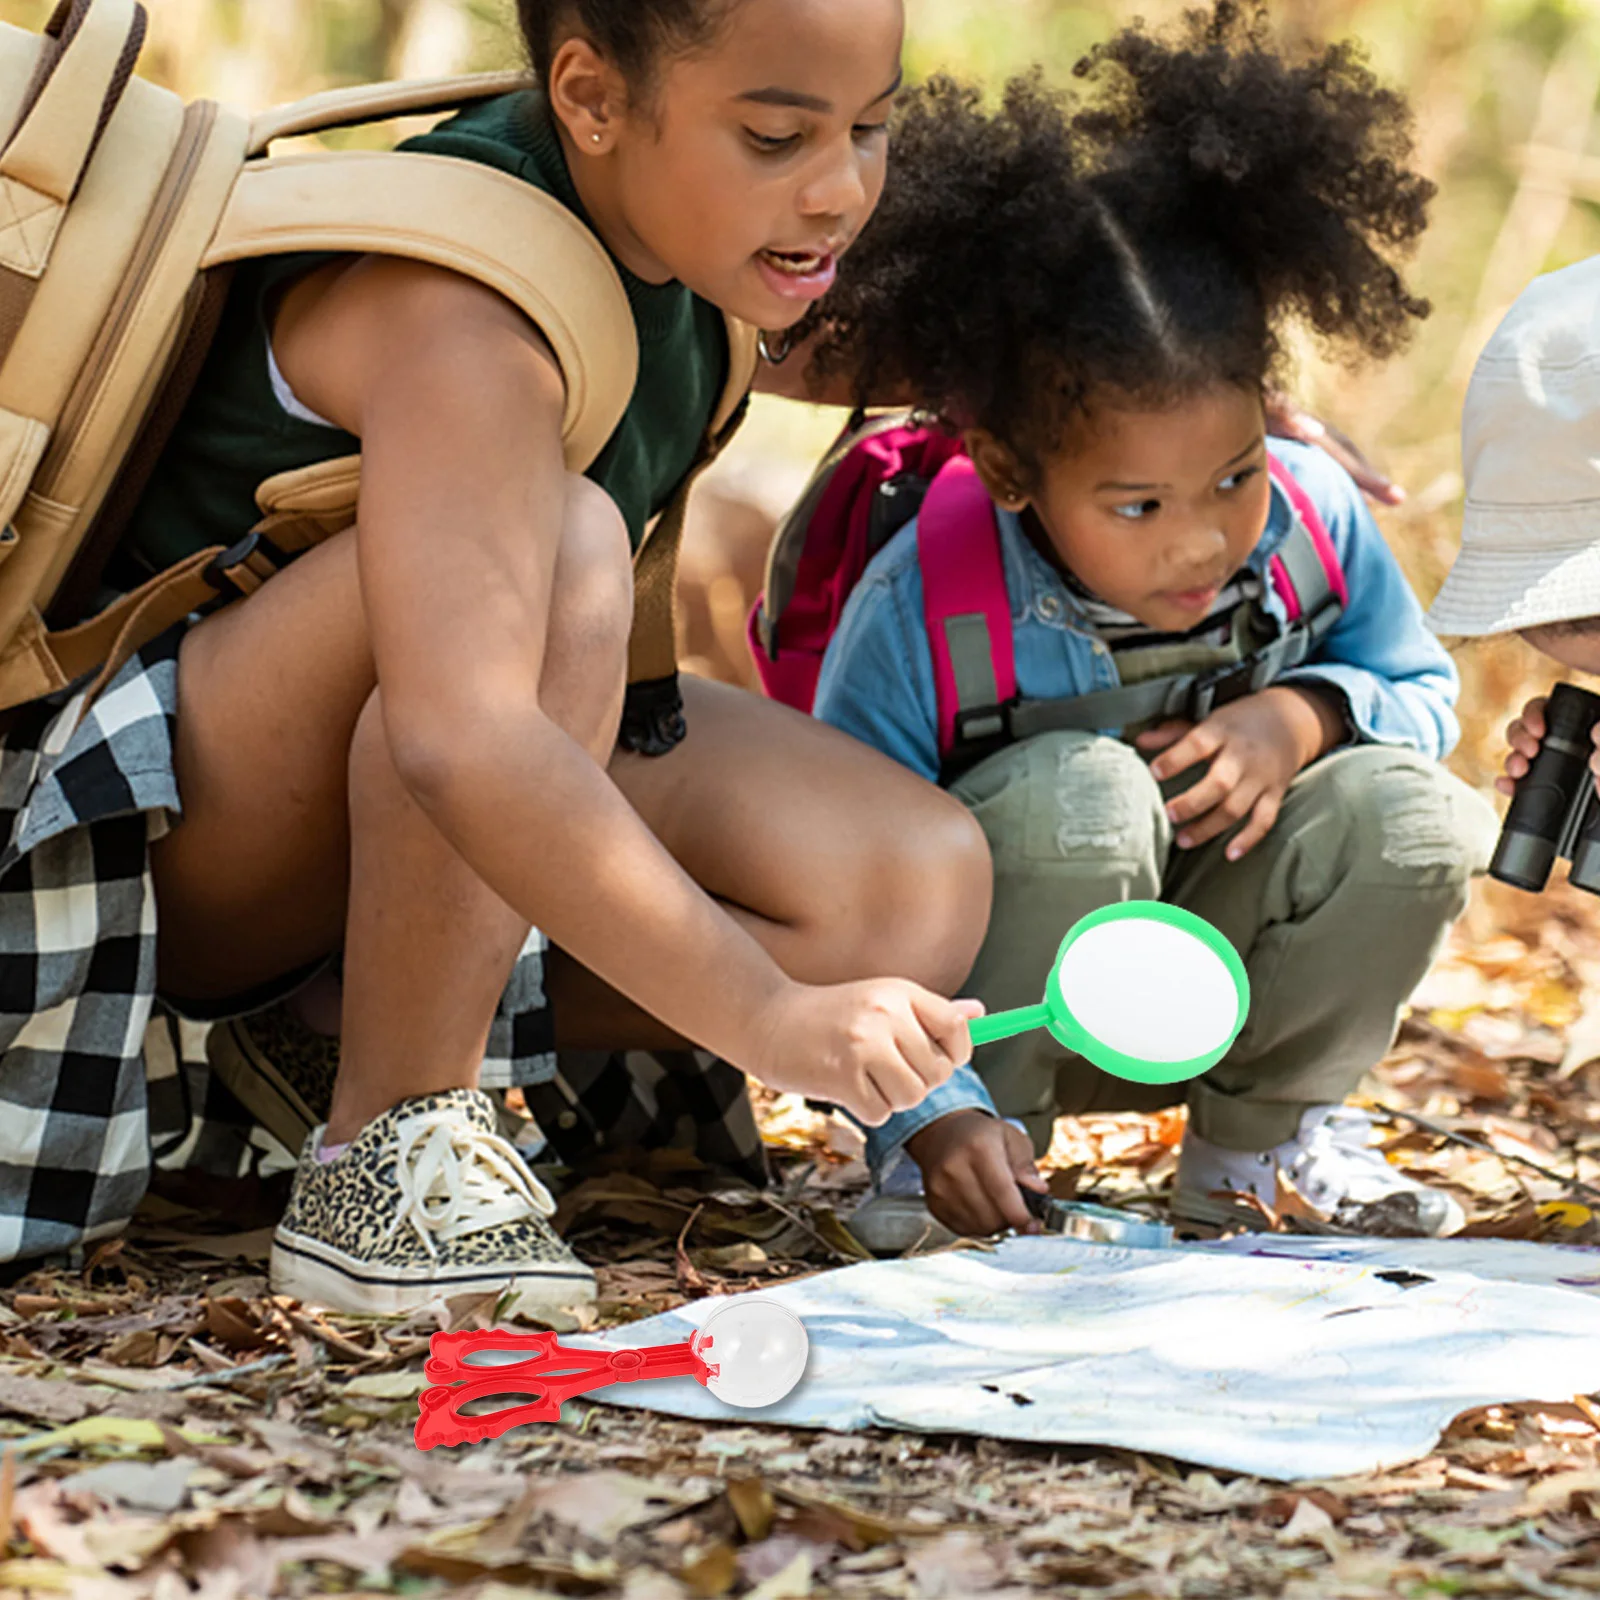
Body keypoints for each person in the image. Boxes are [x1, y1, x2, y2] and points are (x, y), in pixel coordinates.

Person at [0, 0, 997, 1311]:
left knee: (905, 893)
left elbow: (920, 335)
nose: (840, 191)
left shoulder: (697, 239)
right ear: (588, 95)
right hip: (157, 828)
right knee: (568, 551)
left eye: (872, 129)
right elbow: (463, 735)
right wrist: (766, 1018)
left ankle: (319, 1039)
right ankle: (383, 1150)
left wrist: (1151, 368)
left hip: (399, 768)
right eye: (775, 137)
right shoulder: (464, 312)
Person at [805, 3, 1498, 1251]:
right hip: (1000, 1027)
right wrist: (930, 1107)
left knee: (1421, 811)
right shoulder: (923, 604)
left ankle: (1258, 1151)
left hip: (1217, 985)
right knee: (1081, 792)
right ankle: (969, 1166)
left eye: (1234, 474)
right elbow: (844, 879)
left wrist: (1306, 712)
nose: (1201, 538)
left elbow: (1418, 686)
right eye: (1138, 504)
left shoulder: (1311, 518)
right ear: (1013, 471)